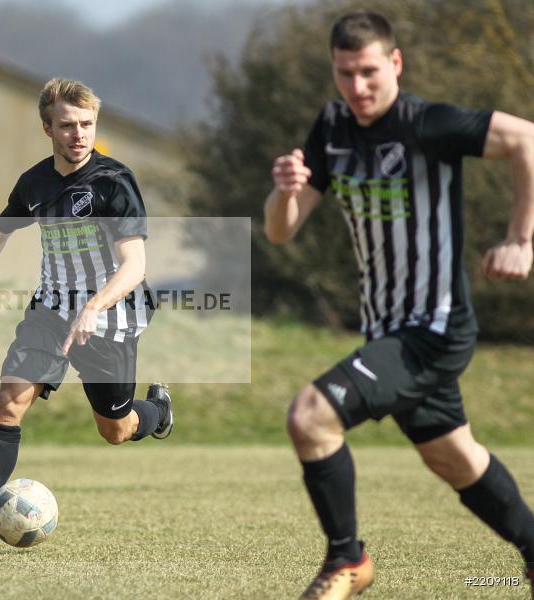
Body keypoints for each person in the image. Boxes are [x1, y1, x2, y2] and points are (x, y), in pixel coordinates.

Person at [264, 12, 534, 600]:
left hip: (434, 330)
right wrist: (284, 194)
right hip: (388, 331)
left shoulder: (428, 123)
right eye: (344, 74)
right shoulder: (333, 127)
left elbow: (526, 139)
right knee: (454, 459)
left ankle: (347, 561)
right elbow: (283, 232)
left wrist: (521, 239)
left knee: (311, 416)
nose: (356, 88)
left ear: (395, 63)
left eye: (368, 73)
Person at [0, 77, 173, 556]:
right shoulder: (35, 183)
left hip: (111, 317)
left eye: (86, 124)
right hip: (51, 311)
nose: (78, 133)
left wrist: (95, 305)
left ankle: (158, 412)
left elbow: (135, 264)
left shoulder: (114, 182)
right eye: (67, 125)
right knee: (9, 402)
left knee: (115, 429)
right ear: (48, 128)